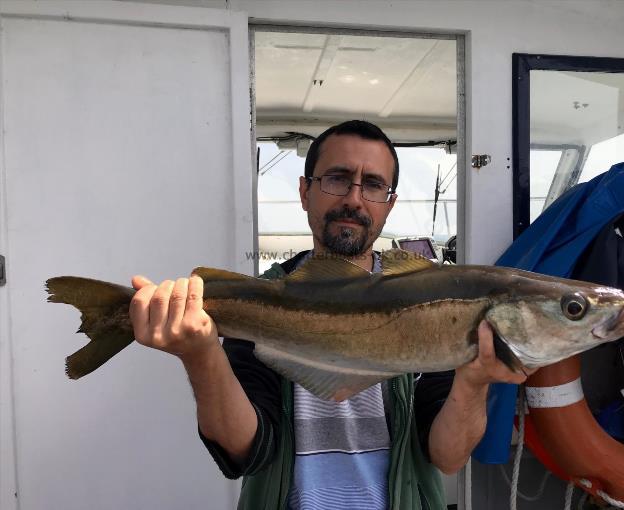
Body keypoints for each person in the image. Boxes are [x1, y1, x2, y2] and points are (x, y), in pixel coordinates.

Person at [129, 120, 532, 509]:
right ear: (305, 192)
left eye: (373, 185)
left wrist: (473, 380)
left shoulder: (436, 301)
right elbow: (248, 451)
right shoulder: (263, 300)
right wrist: (201, 357)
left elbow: (446, 457)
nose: (354, 199)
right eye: (337, 178)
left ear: (389, 204)